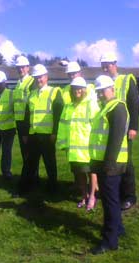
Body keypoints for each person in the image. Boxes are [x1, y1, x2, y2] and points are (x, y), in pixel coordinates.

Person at [90, 75, 128, 254]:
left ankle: (110, 240)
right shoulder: (106, 107)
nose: (100, 95)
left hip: (111, 164)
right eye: (98, 92)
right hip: (104, 162)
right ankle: (118, 228)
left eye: (102, 91)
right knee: (110, 200)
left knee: (110, 202)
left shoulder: (117, 107)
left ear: (111, 88)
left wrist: (108, 163)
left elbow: (116, 139)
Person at [100, 52, 139, 210]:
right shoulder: (104, 82)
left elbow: (134, 104)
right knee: (113, 159)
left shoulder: (126, 79)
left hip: (125, 127)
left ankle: (129, 196)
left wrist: (134, 127)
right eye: (103, 65)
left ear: (114, 64)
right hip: (110, 127)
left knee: (126, 162)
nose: (105, 68)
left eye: (107, 64)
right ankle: (116, 191)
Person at [18, 64, 63, 194]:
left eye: (41, 77)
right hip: (33, 135)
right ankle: (24, 187)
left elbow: (58, 114)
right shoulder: (31, 94)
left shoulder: (54, 92)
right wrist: (25, 133)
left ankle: (53, 187)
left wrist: (54, 132)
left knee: (50, 163)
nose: (39, 80)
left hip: (47, 135)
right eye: (36, 77)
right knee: (29, 163)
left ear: (46, 77)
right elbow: (27, 115)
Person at [57, 77, 99, 210]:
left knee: (91, 172)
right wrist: (63, 144)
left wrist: (97, 144)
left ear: (85, 90)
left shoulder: (91, 104)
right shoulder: (68, 107)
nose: (77, 91)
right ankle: (84, 196)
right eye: (74, 88)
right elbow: (62, 126)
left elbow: (97, 127)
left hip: (88, 148)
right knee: (79, 174)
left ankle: (92, 196)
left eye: (80, 88)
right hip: (74, 149)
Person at [13, 56, 35, 185]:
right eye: (18, 67)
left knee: (29, 153)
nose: (20, 69)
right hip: (19, 122)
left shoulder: (31, 82)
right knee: (24, 152)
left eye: (23, 67)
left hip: (27, 122)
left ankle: (29, 180)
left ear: (28, 68)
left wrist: (26, 127)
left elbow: (30, 106)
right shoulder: (18, 83)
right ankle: (32, 178)